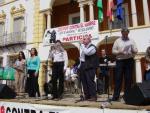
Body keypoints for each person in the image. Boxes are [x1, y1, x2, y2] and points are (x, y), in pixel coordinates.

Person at [112, 28, 138, 101]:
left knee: (128, 79)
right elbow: (113, 51)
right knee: (118, 78)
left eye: (127, 34)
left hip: (129, 60)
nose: (125, 35)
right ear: (121, 33)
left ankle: (127, 96)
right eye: (124, 34)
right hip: (120, 61)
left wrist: (133, 50)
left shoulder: (131, 40)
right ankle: (116, 96)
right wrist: (119, 52)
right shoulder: (117, 41)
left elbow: (136, 50)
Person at [78, 37, 98, 101]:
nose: (83, 40)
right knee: (84, 82)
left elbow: (87, 53)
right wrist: (80, 65)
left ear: (89, 40)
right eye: (83, 39)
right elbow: (82, 58)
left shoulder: (92, 47)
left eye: (84, 39)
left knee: (90, 81)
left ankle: (93, 96)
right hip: (83, 65)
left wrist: (81, 45)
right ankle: (87, 95)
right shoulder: (84, 47)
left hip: (90, 66)